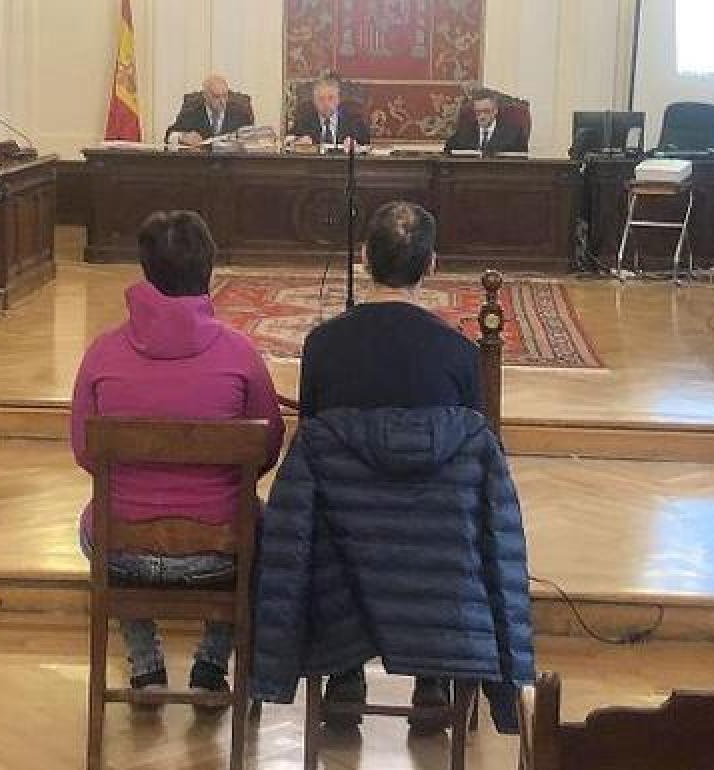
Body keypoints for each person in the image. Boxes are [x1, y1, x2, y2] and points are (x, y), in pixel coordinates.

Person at [293, 201, 520, 735]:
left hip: (345, 549)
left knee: (333, 509)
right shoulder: (460, 355)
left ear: (363, 257)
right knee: (445, 519)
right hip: (432, 554)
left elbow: (311, 447)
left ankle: (343, 672)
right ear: (433, 264)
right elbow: (473, 458)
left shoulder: (321, 347)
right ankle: (434, 677)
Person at [71, 210, 286, 699]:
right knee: (265, 530)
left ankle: (145, 662)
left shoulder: (103, 354)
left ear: (144, 269)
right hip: (222, 553)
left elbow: (85, 452)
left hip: (120, 550)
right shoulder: (239, 354)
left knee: (95, 524)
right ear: (208, 271)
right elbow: (268, 449)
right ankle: (212, 660)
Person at [164, 74, 254, 147]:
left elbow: (252, 138)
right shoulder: (192, 111)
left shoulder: (240, 113)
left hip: (232, 164)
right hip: (200, 163)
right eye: (217, 97)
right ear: (205, 96)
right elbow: (169, 135)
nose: (222, 101)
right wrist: (183, 137)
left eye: (225, 96)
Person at [289, 74, 371, 147]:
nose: (326, 103)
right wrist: (298, 142)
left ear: (338, 99)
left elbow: (366, 143)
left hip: (345, 163)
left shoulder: (354, 121)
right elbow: (289, 141)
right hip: (313, 163)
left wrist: (355, 145)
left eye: (331, 98)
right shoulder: (303, 121)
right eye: (321, 99)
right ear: (314, 101)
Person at [444, 89, 528, 156]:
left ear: (495, 111)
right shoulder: (463, 132)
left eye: (486, 111)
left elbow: (520, 164)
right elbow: (448, 153)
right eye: (478, 112)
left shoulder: (514, 134)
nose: (482, 116)